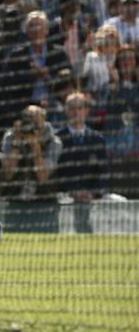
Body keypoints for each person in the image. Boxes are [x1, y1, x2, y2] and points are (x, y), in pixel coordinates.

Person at [55, 92, 108, 234]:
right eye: (72, 108)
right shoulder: (57, 140)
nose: (76, 112)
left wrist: (92, 193)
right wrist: (73, 192)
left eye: (79, 108)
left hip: (93, 198)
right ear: (66, 111)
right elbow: (56, 173)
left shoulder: (97, 139)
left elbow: (103, 173)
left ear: (86, 111)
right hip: (65, 197)